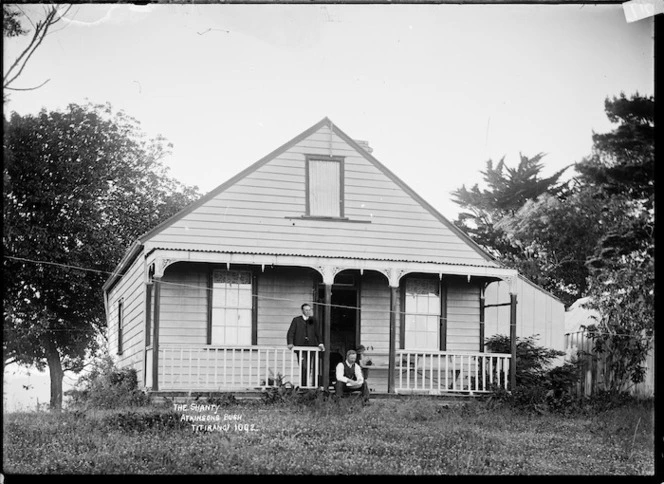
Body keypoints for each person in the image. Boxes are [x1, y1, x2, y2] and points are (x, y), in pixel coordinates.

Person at [287, 303, 325, 387]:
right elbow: (291, 332)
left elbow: (317, 332)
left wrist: (320, 343)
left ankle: (305, 385)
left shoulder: (312, 320)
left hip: (310, 346)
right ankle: (303, 385)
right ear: (302, 310)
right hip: (300, 347)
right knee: (303, 366)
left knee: (308, 367)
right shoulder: (296, 320)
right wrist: (290, 343)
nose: (308, 312)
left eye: (309, 310)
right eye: (306, 310)